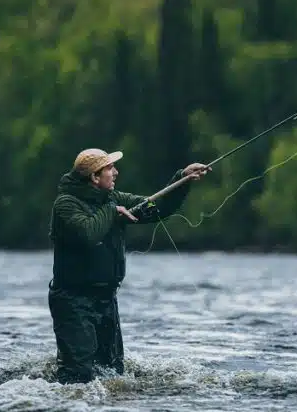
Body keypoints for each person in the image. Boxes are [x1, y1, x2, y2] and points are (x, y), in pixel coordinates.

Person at [47, 148, 210, 384]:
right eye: (110, 168)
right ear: (94, 177)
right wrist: (112, 212)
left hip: (106, 298)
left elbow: (157, 208)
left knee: (112, 372)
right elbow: (88, 233)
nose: (115, 172)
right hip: (73, 301)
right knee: (78, 375)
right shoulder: (65, 204)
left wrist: (182, 178)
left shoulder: (114, 199)